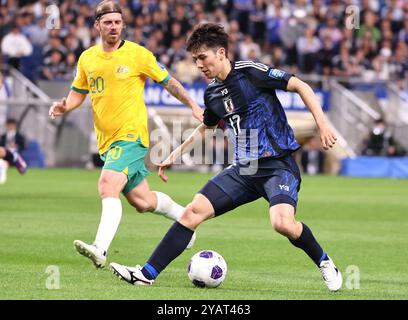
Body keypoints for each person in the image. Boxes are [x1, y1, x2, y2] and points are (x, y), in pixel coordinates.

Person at [110, 23, 343, 292]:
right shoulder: (212, 92)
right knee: (191, 212)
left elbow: (301, 86)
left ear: (221, 53)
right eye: (195, 59)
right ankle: (146, 274)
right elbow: (207, 126)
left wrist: (323, 126)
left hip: (277, 165)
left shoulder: (252, 73)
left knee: (282, 224)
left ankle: (325, 262)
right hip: (244, 170)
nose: (199, 64)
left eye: (202, 57)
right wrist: (175, 152)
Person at [48, 0, 203, 269]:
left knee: (107, 184)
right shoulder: (87, 58)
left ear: (123, 25)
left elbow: (169, 82)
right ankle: (186, 219)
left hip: (131, 136)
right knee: (142, 201)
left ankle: (100, 248)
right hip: (107, 142)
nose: (113, 27)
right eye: (108, 22)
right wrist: (64, 106)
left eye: (118, 22)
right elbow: (77, 94)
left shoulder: (138, 54)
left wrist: (192, 105)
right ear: (97, 25)